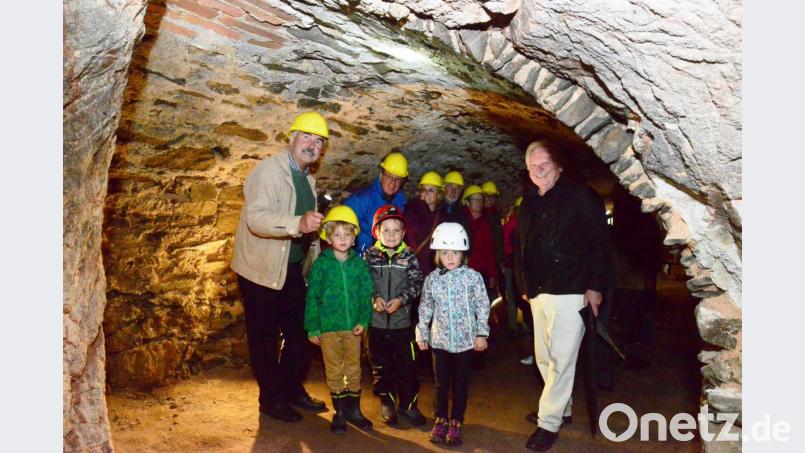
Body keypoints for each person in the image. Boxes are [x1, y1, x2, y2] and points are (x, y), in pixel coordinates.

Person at [514, 139, 614, 451]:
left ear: (558, 166)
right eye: (533, 167)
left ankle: (549, 423)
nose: (539, 171)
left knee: (560, 359)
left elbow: (601, 244)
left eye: (544, 164)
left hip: (572, 291)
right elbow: (521, 248)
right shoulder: (528, 203)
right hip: (539, 292)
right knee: (544, 358)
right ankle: (563, 408)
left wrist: (595, 287)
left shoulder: (581, 197)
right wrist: (524, 287)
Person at [231, 111, 329, 423]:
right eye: (307, 137)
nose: (312, 145)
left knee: (300, 333)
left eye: (319, 141)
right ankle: (270, 399)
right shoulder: (268, 172)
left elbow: (305, 227)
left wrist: (315, 243)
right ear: (292, 138)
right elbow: (256, 219)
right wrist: (297, 223)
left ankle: (290, 388)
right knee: (264, 338)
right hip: (260, 269)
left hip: (290, 270)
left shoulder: (308, 180)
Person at [416, 222, 490, 447]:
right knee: (440, 384)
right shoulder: (432, 279)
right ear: (438, 253)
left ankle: (456, 420)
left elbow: (482, 305)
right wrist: (422, 333)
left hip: (466, 343)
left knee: (460, 384)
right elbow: (425, 307)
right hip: (439, 342)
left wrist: (481, 333)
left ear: (463, 253)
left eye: (455, 252)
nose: (450, 257)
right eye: (445, 252)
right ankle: (440, 418)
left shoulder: (473, 277)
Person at [304, 205, 374, 434]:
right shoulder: (321, 266)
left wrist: (364, 321)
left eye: (347, 234)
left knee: (353, 368)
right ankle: (340, 411)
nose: (342, 239)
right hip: (328, 328)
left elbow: (366, 296)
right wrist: (313, 327)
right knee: (334, 369)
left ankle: (354, 410)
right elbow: (313, 297)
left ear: (354, 238)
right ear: (328, 238)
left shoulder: (359, 265)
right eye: (337, 234)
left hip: (352, 327)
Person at [363, 205, 426, 426]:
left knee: (408, 366)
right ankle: (387, 403)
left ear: (403, 232)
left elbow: (417, 283)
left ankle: (409, 405)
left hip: (402, 324)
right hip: (377, 325)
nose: (391, 235)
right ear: (377, 233)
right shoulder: (369, 256)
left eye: (396, 230)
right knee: (382, 367)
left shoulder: (409, 256)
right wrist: (374, 298)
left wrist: (402, 300)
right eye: (386, 230)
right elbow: (363, 283)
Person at [344, 152, 408, 254]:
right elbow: (341, 224)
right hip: (360, 257)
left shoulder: (400, 201)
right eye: (389, 176)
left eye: (398, 179)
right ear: (381, 175)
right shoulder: (362, 199)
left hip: (386, 257)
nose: (393, 182)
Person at [404, 171, 444, 278]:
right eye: (423, 190)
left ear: (439, 194)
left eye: (431, 190)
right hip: (414, 269)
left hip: (434, 269)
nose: (426, 193)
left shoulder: (442, 217)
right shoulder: (411, 212)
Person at [441, 170, 470, 235]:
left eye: (458, 188)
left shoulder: (462, 215)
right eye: (450, 186)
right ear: (444, 188)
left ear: (460, 193)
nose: (453, 191)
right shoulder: (434, 209)